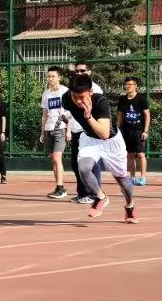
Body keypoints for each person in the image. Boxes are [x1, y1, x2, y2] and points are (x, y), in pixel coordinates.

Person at [62, 74, 138, 224]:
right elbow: (68, 115)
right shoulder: (66, 99)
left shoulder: (101, 102)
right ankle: (100, 197)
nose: (78, 101)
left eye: (82, 97)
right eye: (75, 97)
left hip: (111, 142)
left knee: (123, 181)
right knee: (83, 169)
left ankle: (130, 206)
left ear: (91, 92)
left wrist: (88, 116)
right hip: (89, 139)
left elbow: (104, 134)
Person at [69, 62, 102, 204]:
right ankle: (82, 193)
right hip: (76, 130)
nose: (79, 73)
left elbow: (97, 111)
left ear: (89, 72)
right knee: (76, 163)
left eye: (82, 70)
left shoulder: (96, 89)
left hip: (89, 132)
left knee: (91, 164)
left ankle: (95, 194)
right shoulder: (72, 89)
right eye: (77, 71)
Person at [40, 66, 70, 199]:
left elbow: (70, 113)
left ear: (59, 77)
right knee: (53, 160)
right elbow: (44, 114)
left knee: (57, 158)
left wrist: (69, 130)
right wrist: (42, 132)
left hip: (61, 128)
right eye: (48, 76)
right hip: (48, 129)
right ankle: (59, 187)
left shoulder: (65, 91)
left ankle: (60, 187)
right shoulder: (46, 93)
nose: (50, 79)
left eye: (53, 76)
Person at [117, 76, 150, 186]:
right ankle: (132, 178)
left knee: (141, 154)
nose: (128, 86)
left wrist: (145, 131)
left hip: (139, 131)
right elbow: (120, 116)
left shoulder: (141, 99)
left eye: (130, 84)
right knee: (129, 155)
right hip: (126, 131)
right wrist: (117, 130)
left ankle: (143, 177)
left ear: (135, 86)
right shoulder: (122, 99)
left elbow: (147, 115)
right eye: (126, 84)